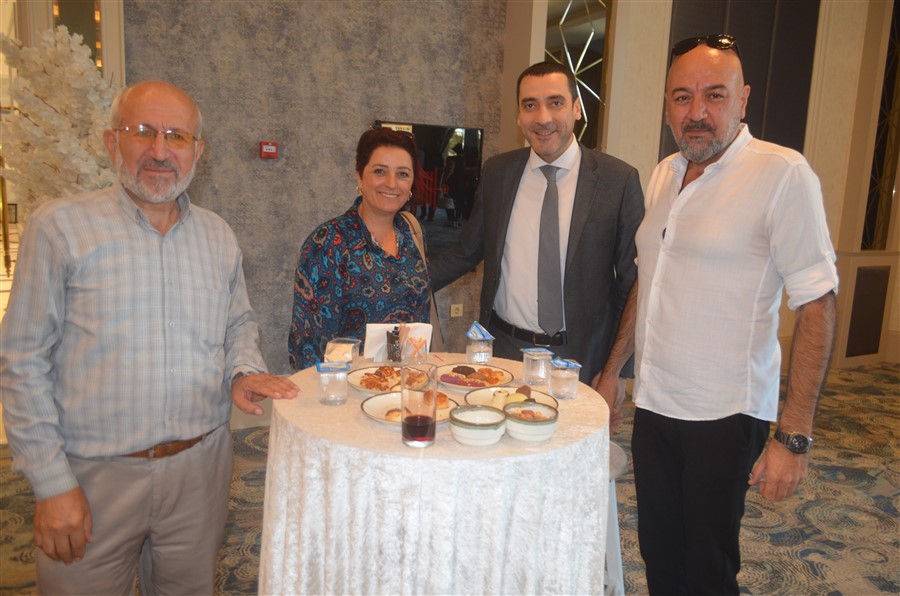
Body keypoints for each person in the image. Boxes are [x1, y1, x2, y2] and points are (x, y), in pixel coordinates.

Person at [0, 81, 299, 595]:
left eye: (176, 136)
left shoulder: (218, 236)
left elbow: (238, 324)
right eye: (143, 131)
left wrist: (243, 371)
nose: (160, 150)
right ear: (111, 141)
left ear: (198, 151)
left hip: (199, 471)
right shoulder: (60, 229)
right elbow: (21, 361)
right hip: (93, 477)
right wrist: (51, 484)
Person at [595, 34, 838, 595]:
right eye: (682, 97)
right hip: (655, 404)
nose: (697, 112)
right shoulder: (665, 172)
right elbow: (649, 280)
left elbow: (817, 301)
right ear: (667, 105)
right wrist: (614, 370)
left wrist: (795, 435)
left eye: (715, 95)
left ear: (743, 99)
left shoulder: (782, 173)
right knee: (659, 555)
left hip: (724, 415)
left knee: (706, 569)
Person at [430, 61, 644, 383]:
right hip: (503, 351)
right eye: (530, 105)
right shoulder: (498, 173)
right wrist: (400, 281)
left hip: (580, 359)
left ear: (576, 108)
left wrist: (615, 372)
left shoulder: (618, 181)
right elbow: (466, 252)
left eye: (555, 103)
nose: (543, 118)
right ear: (519, 115)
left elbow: (632, 283)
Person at [288, 127, 431, 370]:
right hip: (346, 387)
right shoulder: (328, 243)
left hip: (404, 383)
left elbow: (416, 326)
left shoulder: (412, 235)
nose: (392, 183)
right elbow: (308, 348)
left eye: (402, 174)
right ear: (359, 178)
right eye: (379, 171)